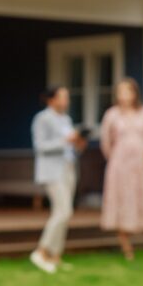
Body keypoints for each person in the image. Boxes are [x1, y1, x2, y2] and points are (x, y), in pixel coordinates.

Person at [100, 78, 143, 263]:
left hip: (140, 166)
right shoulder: (111, 115)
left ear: (135, 93)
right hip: (120, 166)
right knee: (123, 204)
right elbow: (106, 143)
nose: (123, 95)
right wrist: (116, 159)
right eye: (120, 91)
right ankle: (128, 252)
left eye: (127, 91)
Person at [30, 85, 86, 274]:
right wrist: (65, 141)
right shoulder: (42, 119)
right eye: (63, 97)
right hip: (51, 172)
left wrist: (77, 143)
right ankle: (41, 251)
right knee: (63, 211)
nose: (66, 101)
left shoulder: (66, 119)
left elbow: (70, 145)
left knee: (64, 213)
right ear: (51, 100)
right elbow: (40, 146)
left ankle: (55, 256)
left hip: (68, 169)